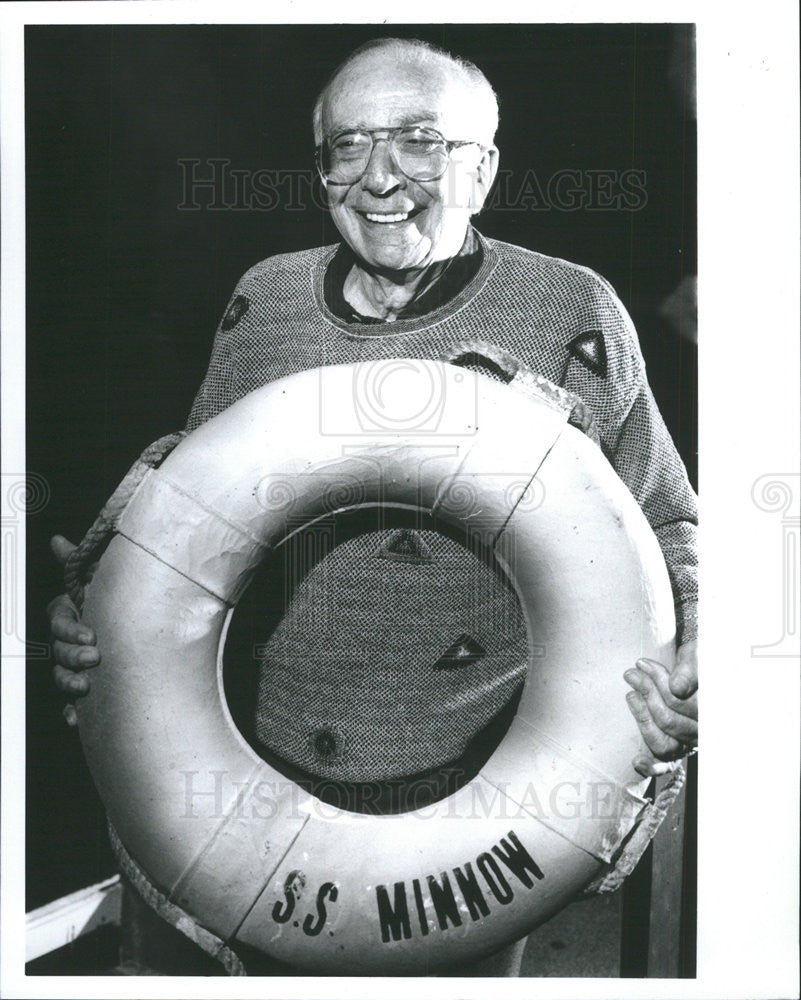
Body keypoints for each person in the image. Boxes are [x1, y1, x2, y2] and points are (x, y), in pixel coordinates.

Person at [47, 37, 698, 976]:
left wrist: (696, 642)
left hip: (480, 778)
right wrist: (97, 612)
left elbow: (668, 520)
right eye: (345, 147)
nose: (378, 177)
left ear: (486, 168)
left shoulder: (569, 308)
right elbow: (182, 518)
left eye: (420, 142)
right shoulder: (264, 300)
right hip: (250, 756)